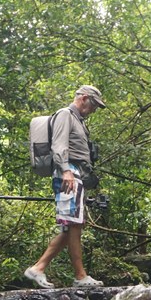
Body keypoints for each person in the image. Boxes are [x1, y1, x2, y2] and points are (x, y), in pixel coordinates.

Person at [24, 85, 106, 289]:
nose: (94, 109)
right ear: (84, 98)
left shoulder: (79, 120)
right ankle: (79, 276)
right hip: (67, 173)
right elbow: (58, 145)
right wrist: (66, 171)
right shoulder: (65, 115)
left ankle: (38, 268)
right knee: (74, 225)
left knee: (71, 226)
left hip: (75, 174)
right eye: (94, 104)